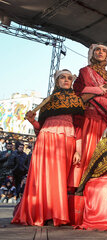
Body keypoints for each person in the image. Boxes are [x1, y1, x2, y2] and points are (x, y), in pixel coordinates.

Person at [12, 69, 85, 226]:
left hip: (67, 140)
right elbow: (39, 127)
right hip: (45, 139)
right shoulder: (48, 100)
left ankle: (55, 214)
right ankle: (39, 213)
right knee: (41, 176)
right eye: (62, 77)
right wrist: (32, 121)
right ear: (57, 81)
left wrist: (78, 150)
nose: (66, 80)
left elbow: (79, 127)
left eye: (69, 78)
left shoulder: (77, 101)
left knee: (59, 178)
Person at [69, 43, 107, 188]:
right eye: (97, 50)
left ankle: (101, 183)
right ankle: (82, 183)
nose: (100, 52)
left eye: (104, 50)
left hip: (106, 117)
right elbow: (77, 91)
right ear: (92, 53)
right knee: (89, 150)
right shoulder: (84, 71)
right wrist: (95, 90)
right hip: (90, 115)